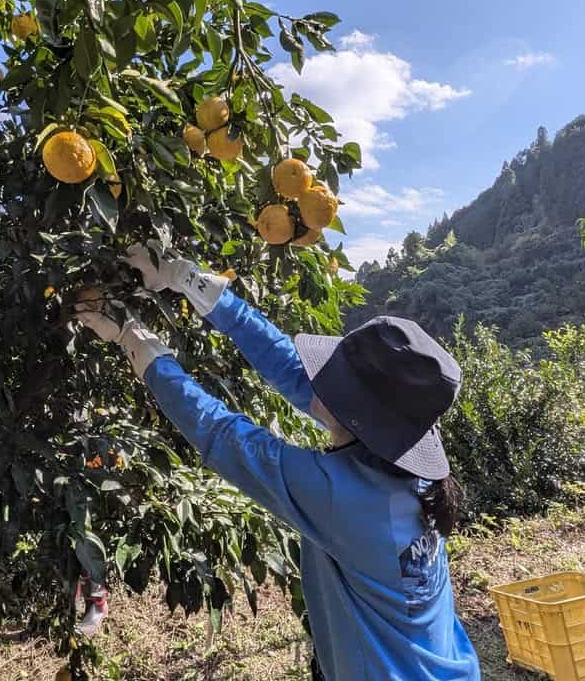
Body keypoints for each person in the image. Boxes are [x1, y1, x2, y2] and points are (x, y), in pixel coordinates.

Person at [73, 244, 480, 681]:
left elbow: (224, 435)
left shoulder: (341, 498)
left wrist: (134, 340)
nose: (318, 380)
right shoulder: (404, 452)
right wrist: (182, 275)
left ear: (356, 412)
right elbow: (286, 364)